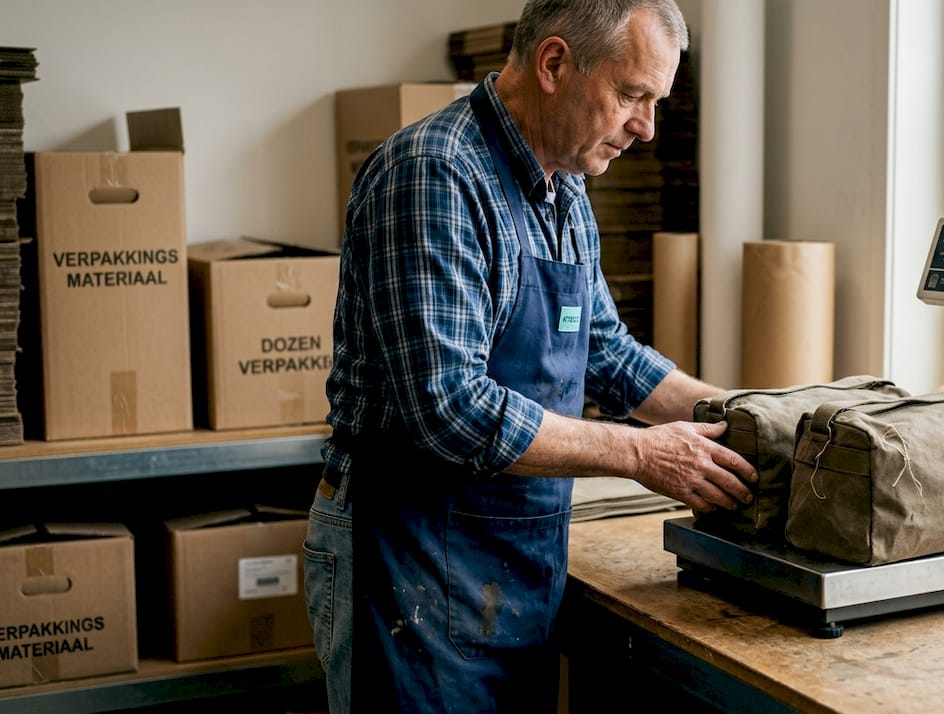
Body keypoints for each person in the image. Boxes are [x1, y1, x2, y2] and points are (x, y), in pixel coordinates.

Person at [302, 1, 759, 711]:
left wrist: (748, 415)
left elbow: (606, 352)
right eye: (632, 95)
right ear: (554, 64)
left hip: (512, 552)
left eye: (655, 101)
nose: (646, 127)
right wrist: (641, 455)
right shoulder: (435, 174)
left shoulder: (565, 186)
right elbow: (449, 409)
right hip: (411, 552)